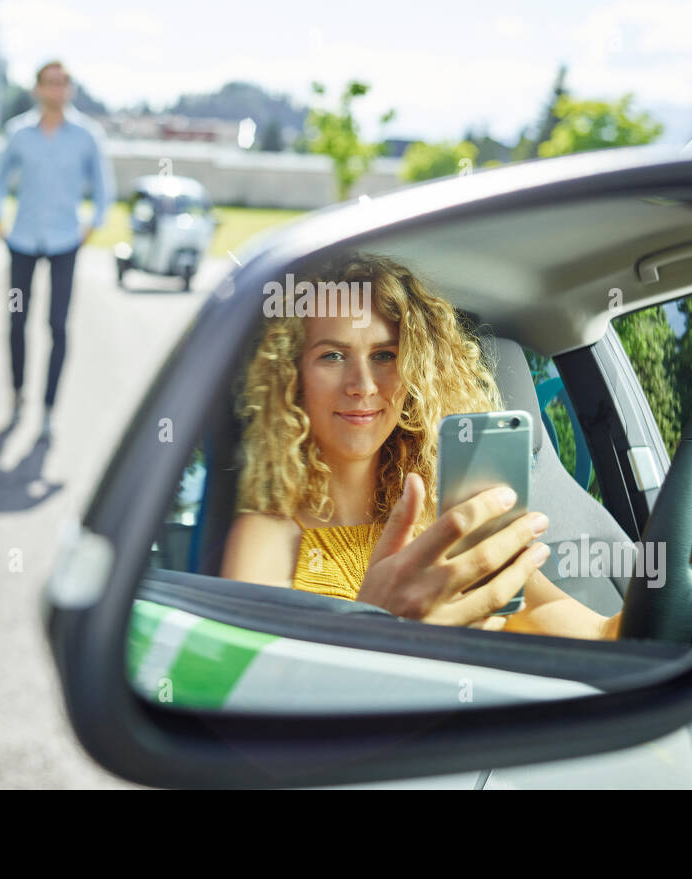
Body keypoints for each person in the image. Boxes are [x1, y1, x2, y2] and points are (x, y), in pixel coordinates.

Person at [220, 251, 622, 639]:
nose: (361, 385)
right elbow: (262, 695)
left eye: (383, 355)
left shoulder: (452, 521)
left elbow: (595, 632)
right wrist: (378, 630)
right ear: (294, 375)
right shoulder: (264, 538)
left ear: (414, 375)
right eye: (333, 356)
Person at [0, 61, 114, 437]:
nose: (56, 90)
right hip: (22, 242)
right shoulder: (18, 133)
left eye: (62, 83)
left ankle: (47, 409)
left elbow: (104, 186)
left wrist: (93, 224)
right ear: (38, 89)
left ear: (69, 89)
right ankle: (17, 395)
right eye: (49, 83)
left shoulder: (87, 136)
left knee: (57, 325)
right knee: (16, 319)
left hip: (64, 243)